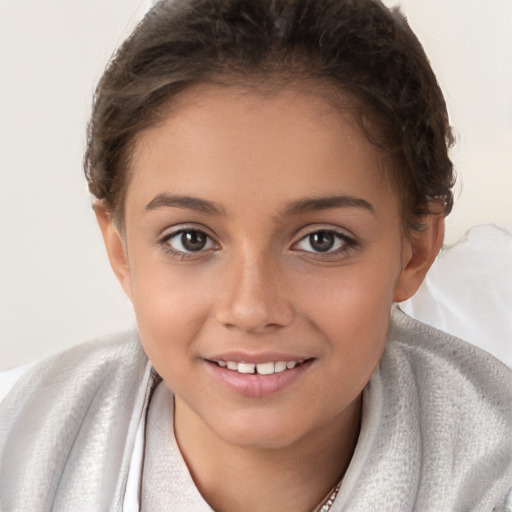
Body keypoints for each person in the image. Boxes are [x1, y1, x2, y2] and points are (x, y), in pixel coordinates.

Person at [0, 0, 510, 510]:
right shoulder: (18, 443)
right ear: (121, 250)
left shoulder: (493, 473)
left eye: (322, 240)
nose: (250, 309)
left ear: (415, 250)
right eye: (191, 239)